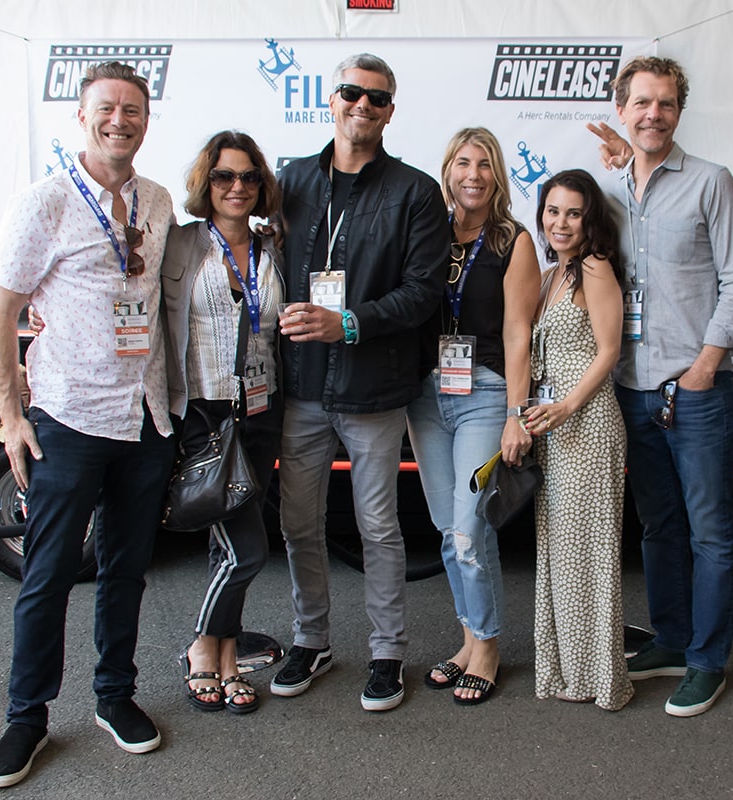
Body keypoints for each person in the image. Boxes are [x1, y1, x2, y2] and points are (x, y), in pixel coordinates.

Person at [0, 62, 176, 788]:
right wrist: (10, 418)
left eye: (132, 108)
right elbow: (0, 312)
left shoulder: (156, 203)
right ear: (81, 116)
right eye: (106, 108)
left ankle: (114, 697)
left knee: (126, 570)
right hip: (68, 417)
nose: (119, 119)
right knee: (49, 573)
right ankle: (26, 716)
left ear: (147, 119)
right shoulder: (45, 204)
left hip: (145, 419)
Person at [270, 53, 448, 711]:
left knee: (378, 526)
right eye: (352, 93)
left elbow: (423, 293)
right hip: (301, 387)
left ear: (390, 111)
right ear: (332, 98)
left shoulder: (414, 191)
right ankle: (310, 640)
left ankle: (387, 652)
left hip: (373, 387)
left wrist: (346, 323)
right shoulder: (289, 181)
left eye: (377, 98)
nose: (362, 106)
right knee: (298, 523)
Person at [587, 55, 733, 717]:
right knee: (658, 527)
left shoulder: (713, 183)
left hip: (698, 386)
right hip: (631, 385)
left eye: (667, 103)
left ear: (679, 111)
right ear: (623, 109)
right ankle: (674, 639)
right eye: (643, 103)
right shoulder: (609, 194)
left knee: (711, 531)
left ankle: (708, 662)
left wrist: (706, 366)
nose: (655, 113)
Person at [406, 127, 540, 705]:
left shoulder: (514, 240)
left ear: (498, 174)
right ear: (448, 168)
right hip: (426, 395)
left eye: (485, 164)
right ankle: (467, 640)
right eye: (463, 162)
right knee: (446, 527)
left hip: (484, 393)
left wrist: (516, 412)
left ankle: (486, 645)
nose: (473, 175)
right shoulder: (427, 234)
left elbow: (517, 333)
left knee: (469, 528)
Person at [162, 131, 286, 715]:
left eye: (248, 177)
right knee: (245, 552)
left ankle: (228, 657)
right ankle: (198, 647)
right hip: (205, 412)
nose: (237, 187)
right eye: (224, 176)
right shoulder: (183, 243)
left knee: (227, 543)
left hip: (261, 411)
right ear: (205, 184)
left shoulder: (271, 247)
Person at [522, 169, 631, 711]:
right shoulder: (549, 276)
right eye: (552, 210)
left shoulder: (595, 268)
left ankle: (598, 676)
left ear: (590, 219)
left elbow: (608, 351)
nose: (560, 222)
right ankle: (569, 670)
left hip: (587, 426)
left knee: (588, 554)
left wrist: (566, 404)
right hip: (553, 430)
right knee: (559, 553)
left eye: (572, 212)